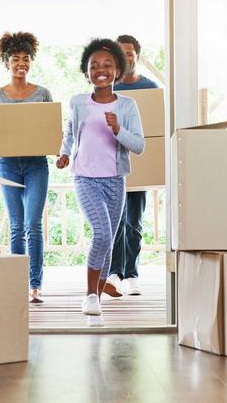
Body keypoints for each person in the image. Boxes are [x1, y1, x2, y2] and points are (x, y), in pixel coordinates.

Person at [56, 38, 145, 326]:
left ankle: (102, 283)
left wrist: (118, 129)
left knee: (109, 239)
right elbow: (69, 133)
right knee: (103, 235)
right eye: (94, 66)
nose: (101, 70)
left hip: (115, 179)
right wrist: (64, 154)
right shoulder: (78, 102)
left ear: (118, 69)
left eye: (107, 65)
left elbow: (139, 145)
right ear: (87, 72)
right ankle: (90, 295)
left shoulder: (128, 106)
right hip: (85, 177)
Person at [0, 32, 52, 304]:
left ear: (31, 62)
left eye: (25, 59)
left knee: (32, 225)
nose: (21, 64)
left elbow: (49, 130)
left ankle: (35, 285)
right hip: (9, 165)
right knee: (15, 226)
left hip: (36, 164)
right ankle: (17, 284)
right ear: (6, 63)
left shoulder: (43, 93)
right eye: (15, 59)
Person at [106, 34, 160, 296]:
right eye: (121, 53)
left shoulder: (150, 87)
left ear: (137, 55)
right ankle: (114, 272)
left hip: (141, 161)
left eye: (130, 53)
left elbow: (157, 128)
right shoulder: (109, 89)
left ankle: (132, 275)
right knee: (114, 221)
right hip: (113, 162)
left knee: (134, 222)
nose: (126, 57)